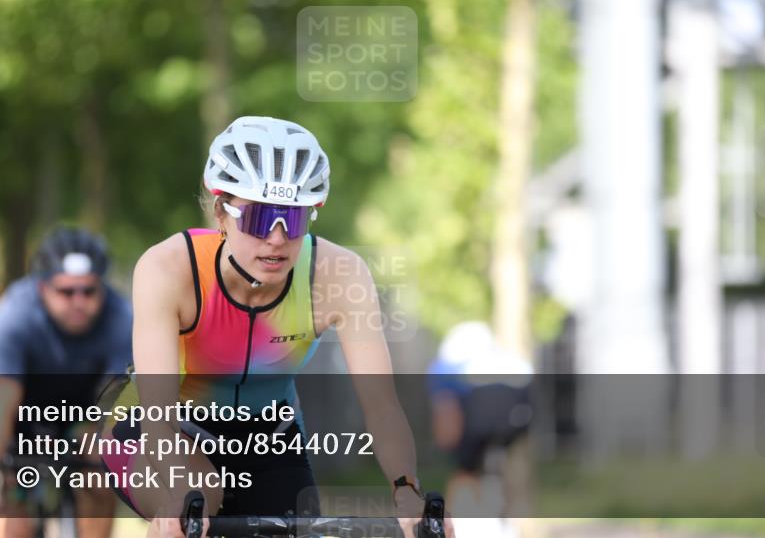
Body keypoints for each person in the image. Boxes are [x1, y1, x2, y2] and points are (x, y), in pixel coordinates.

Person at [99, 116, 453, 538]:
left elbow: (381, 405)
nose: (277, 237)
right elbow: (159, 416)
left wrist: (407, 492)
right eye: (260, 217)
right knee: (196, 503)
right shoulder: (168, 268)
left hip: (269, 438)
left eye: (294, 218)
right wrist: (178, 499)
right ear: (221, 213)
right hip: (160, 431)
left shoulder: (339, 275)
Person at [0, 227, 133, 538]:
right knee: (9, 496)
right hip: (21, 410)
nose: (78, 301)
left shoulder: (121, 317)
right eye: (66, 292)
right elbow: (1, 398)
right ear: (42, 287)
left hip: (83, 411)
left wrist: (103, 451)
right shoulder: (16, 312)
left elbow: (118, 401)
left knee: (100, 476)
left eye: (89, 291)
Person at [427, 321, 534, 538]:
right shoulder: (509, 362)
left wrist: (448, 445)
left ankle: (453, 526)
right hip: (515, 421)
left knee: (464, 470)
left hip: (477, 424)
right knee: (495, 467)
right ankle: (504, 523)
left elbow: (445, 410)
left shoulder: (445, 368)